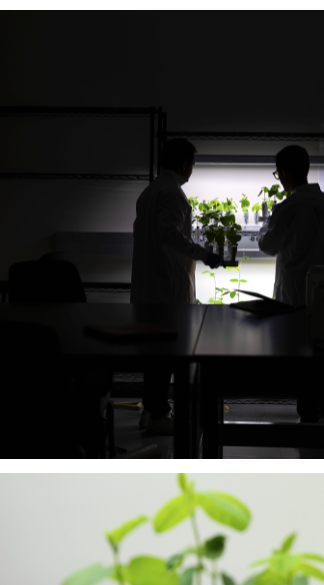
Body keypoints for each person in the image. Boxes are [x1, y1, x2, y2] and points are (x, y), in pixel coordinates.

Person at [131, 138, 222, 436]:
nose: (192, 170)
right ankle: (158, 413)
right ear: (184, 164)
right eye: (192, 164)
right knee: (166, 354)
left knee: (153, 354)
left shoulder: (149, 193)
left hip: (149, 287)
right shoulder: (173, 194)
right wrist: (205, 254)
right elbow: (170, 236)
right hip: (167, 288)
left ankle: (152, 411)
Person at [257, 145, 324, 422]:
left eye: (278, 174)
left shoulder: (288, 207)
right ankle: (323, 410)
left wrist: (264, 228)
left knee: (302, 359)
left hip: (296, 298)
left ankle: (308, 417)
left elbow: (269, 246)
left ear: (285, 173)